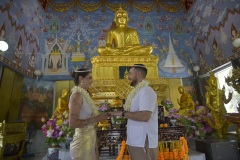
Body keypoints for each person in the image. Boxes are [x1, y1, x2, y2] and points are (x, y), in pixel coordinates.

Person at [110, 64, 158, 160]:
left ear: (138, 74)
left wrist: (123, 113)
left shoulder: (146, 91)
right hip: (135, 139)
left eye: (130, 74)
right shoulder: (137, 92)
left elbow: (145, 116)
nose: (128, 77)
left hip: (143, 140)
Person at [69, 68, 109, 160]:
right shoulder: (77, 96)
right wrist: (97, 119)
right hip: (82, 140)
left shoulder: (85, 95)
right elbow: (72, 123)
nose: (92, 81)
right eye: (89, 78)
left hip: (90, 137)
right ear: (81, 79)